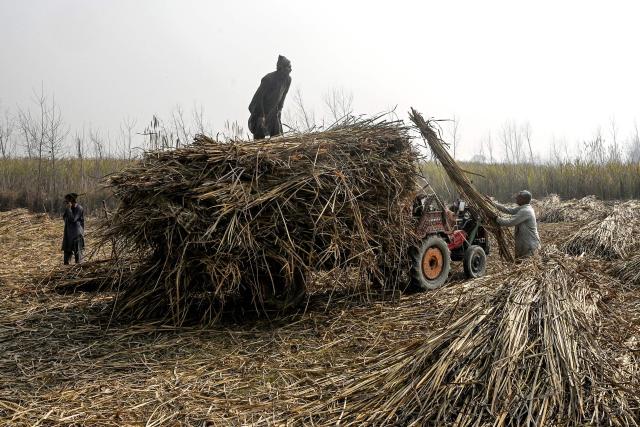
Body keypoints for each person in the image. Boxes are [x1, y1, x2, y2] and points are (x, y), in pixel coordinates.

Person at [248, 55, 292, 139]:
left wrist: (279, 111)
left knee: (277, 134)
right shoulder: (268, 79)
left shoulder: (288, 80)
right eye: (288, 67)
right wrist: (261, 116)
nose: (290, 69)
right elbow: (258, 99)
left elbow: (282, 99)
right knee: (259, 131)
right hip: (259, 110)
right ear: (281, 68)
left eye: (290, 67)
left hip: (273, 112)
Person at [491, 190, 541, 259]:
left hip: (529, 246)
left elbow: (510, 222)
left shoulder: (525, 211)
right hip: (525, 245)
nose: (516, 198)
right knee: (520, 264)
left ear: (524, 199)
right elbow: (508, 210)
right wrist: (492, 203)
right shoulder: (523, 208)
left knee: (525, 266)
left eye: (518, 197)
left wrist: (496, 219)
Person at [62, 193, 85, 265]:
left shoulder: (79, 208)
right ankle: (66, 271)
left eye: (67, 202)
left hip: (77, 234)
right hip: (68, 234)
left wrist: (69, 209)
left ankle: (78, 271)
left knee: (78, 257)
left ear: (72, 201)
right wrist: (68, 209)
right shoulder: (68, 208)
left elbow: (73, 219)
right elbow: (64, 218)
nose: (66, 203)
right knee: (66, 257)